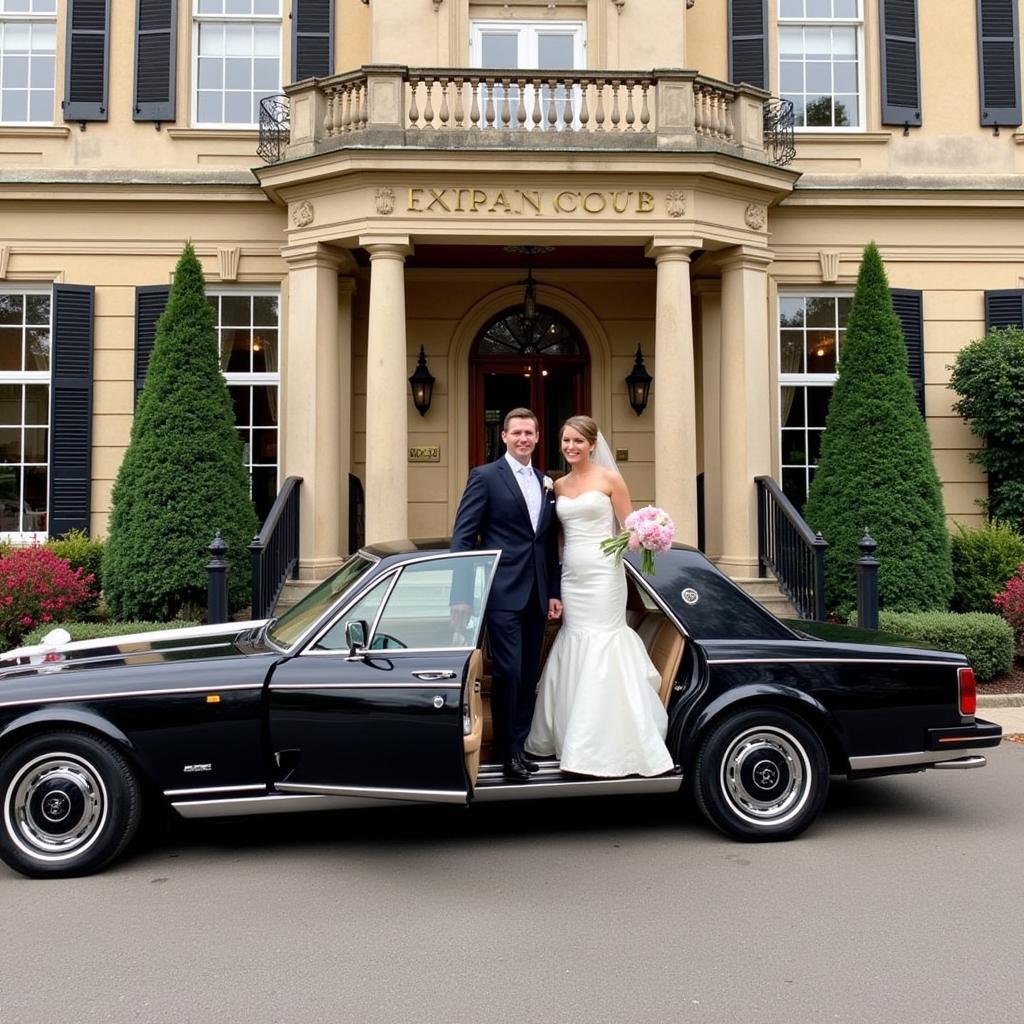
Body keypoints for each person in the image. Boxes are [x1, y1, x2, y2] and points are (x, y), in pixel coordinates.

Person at [526, 415, 674, 777]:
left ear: (592, 444)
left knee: (603, 642)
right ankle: (568, 735)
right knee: (575, 640)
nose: (571, 447)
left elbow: (630, 529)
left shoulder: (610, 480)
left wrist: (645, 536)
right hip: (573, 575)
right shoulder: (557, 486)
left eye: (578, 441)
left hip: (605, 575)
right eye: (566, 441)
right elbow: (557, 539)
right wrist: (557, 583)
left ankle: (604, 745)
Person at [450, 408, 562, 782]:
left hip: (536, 594)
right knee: (510, 671)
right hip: (500, 592)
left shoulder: (546, 481)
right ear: (504, 436)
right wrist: (461, 595)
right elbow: (463, 539)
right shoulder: (484, 477)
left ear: (537, 437)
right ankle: (507, 751)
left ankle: (518, 746)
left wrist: (553, 593)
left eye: (529, 433)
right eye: (516, 433)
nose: (523, 439)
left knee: (529, 673)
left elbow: (545, 545)